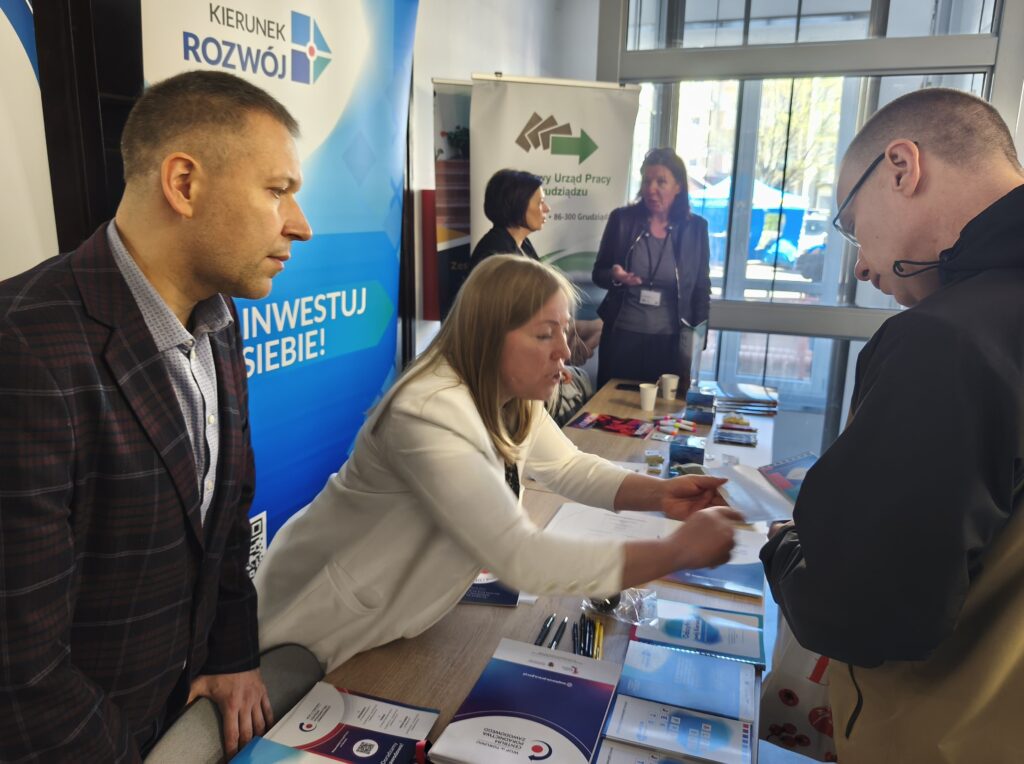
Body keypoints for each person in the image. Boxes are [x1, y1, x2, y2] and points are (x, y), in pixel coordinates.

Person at [0, 70, 312, 761]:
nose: (301, 224)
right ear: (184, 183)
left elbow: (227, 513)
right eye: (278, 190)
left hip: (181, 709)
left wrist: (231, 653)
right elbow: (19, 666)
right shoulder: (25, 352)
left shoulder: (220, 319)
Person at [255, 255, 742, 671]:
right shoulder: (426, 412)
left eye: (565, 332)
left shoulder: (511, 394)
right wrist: (676, 552)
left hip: (387, 623)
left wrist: (661, 494)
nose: (565, 351)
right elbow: (520, 557)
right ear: (490, 335)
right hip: (313, 620)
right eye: (544, 334)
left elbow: (570, 468)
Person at [760, 88, 1024, 762]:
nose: (861, 264)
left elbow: (861, 611)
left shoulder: (948, 341)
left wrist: (786, 550)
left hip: (946, 732)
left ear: (902, 167)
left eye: (851, 223)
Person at [592, 148, 711, 390]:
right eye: (646, 181)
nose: (651, 189)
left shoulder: (695, 229)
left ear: (678, 186)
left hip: (670, 342)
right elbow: (599, 273)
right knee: (613, 409)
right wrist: (616, 277)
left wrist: (697, 340)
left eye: (661, 182)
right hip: (623, 337)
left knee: (663, 412)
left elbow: (701, 288)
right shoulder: (622, 220)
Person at [469, 168, 549, 268]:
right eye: (540, 203)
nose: (547, 209)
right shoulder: (496, 253)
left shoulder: (524, 244)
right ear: (518, 205)